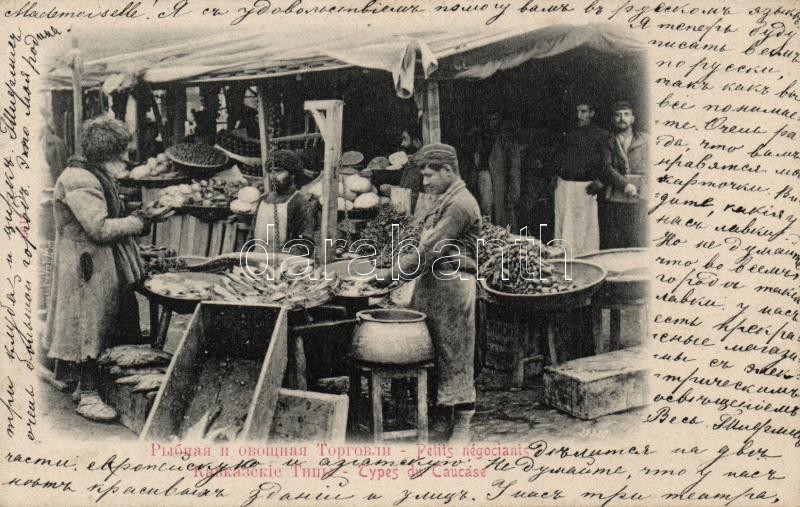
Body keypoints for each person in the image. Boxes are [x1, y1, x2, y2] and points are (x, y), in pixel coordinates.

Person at [43, 117, 151, 422]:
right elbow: (98, 227)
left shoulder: (93, 173)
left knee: (99, 323)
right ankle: (88, 395)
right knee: (88, 327)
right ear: (108, 151)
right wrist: (138, 223)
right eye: (122, 151)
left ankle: (86, 387)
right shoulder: (79, 179)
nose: (127, 158)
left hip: (92, 261)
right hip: (84, 265)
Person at [373, 143, 481, 443]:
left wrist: (390, 275)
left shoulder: (460, 204)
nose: (425, 182)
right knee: (436, 351)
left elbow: (430, 250)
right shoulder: (444, 197)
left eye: (430, 175)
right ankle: (443, 417)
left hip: (452, 285)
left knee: (455, 353)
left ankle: (462, 422)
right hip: (433, 284)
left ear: (448, 171)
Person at [553, 102, 614, 256]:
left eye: (583, 112)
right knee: (563, 224)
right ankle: (563, 259)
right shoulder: (569, 134)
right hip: (565, 187)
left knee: (584, 229)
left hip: (586, 189)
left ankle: (586, 261)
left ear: (592, 113)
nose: (579, 116)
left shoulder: (602, 135)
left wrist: (601, 181)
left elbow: (610, 165)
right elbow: (559, 159)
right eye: (577, 111)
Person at [598, 101, 650, 249]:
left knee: (637, 238)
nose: (622, 118)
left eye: (626, 114)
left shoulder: (647, 140)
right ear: (613, 119)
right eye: (618, 115)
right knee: (616, 239)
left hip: (640, 195)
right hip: (615, 195)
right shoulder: (607, 141)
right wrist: (625, 184)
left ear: (632, 119)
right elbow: (607, 168)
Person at [250, 149, 318, 254]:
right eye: (271, 171)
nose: (273, 176)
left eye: (278, 171)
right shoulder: (262, 201)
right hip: (256, 262)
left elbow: (305, 244)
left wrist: (283, 256)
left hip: (284, 265)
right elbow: (251, 238)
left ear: (293, 174)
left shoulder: (300, 203)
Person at [487, 112, 522, 231]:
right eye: (489, 120)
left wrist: (513, 194)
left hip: (504, 192)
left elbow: (514, 170)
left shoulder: (507, 141)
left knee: (506, 224)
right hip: (494, 189)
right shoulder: (492, 140)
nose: (491, 123)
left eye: (494, 119)